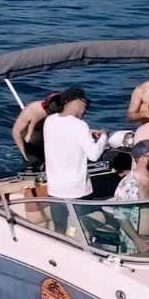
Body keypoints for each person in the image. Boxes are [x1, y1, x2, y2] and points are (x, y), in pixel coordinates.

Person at [43, 86, 108, 231]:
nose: (86, 110)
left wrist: (87, 133)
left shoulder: (49, 121)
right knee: (82, 230)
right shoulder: (80, 126)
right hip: (77, 192)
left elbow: (64, 135)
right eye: (86, 105)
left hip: (55, 190)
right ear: (78, 101)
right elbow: (94, 155)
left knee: (59, 228)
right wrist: (104, 136)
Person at [11, 91, 62, 171]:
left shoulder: (63, 110)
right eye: (51, 112)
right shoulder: (32, 110)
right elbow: (16, 131)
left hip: (50, 144)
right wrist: (24, 154)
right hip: (31, 146)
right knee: (32, 166)